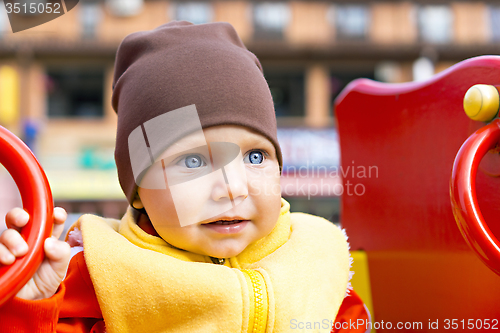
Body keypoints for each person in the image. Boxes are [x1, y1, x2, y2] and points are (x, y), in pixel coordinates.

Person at [0, 21, 368, 332]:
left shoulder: (316, 258)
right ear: (139, 190)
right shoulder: (93, 276)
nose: (233, 188)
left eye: (256, 156)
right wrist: (29, 303)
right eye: (192, 162)